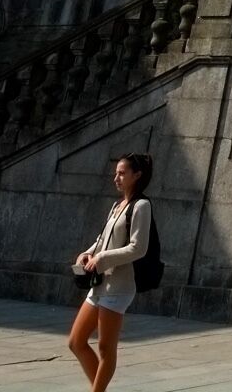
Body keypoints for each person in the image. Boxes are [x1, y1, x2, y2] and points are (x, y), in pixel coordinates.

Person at [68, 153, 153, 392]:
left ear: (137, 175)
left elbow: (139, 248)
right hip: (99, 284)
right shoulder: (117, 205)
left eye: (122, 173)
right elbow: (102, 239)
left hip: (119, 286)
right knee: (76, 341)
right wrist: (86, 253)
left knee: (106, 348)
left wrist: (103, 258)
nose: (116, 177)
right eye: (116, 172)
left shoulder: (141, 205)